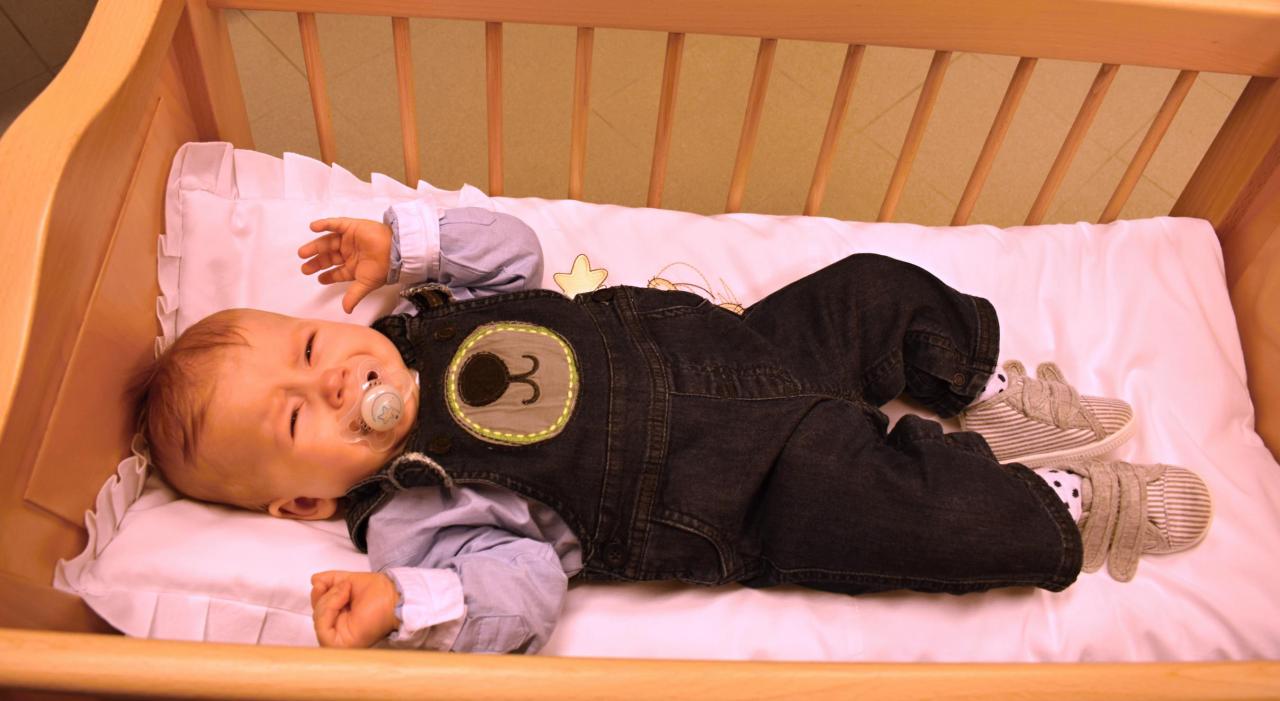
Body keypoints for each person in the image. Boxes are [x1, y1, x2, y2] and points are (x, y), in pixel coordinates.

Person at [136, 201, 1212, 653]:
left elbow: (516, 253)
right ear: (304, 499)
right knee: (900, 513)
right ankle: (1067, 510)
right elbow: (524, 590)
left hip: (742, 349)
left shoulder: (422, 318)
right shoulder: (410, 515)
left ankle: (974, 390)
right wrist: (407, 604)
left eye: (308, 346)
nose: (330, 380)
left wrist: (407, 243)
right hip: (733, 485)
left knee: (869, 290)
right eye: (295, 412)